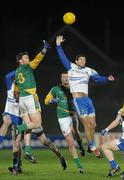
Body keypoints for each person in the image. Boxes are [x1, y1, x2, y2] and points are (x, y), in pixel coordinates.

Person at [56, 35, 115, 158]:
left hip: (87, 100)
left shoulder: (89, 70)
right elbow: (63, 58)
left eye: (84, 59)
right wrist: (58, 45)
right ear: (76, 61)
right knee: (87, 124)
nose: (83, 61)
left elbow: (98, 79)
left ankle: (90, 145)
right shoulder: (71, 67)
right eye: (81, 60)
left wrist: (107, 79)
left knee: (93, 124)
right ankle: (92, 146)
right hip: (78, 100)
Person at [45, 72, 84, 173]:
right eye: (64, 77)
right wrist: (51, 101)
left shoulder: (75, 87)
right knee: (70, 142)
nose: (66, 79)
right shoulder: (56, 89)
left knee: (76, 131)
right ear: (61, 79)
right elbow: (46, 100)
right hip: (62, 117)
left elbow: (82, 98)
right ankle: (79, 166)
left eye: (67, 77)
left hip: (73, 114)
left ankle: (80, 145)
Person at [15, 40, 50, 133]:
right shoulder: (27, 67)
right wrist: (44, 49)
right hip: (30, 97)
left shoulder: (16, 72)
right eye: (26, 58)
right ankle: (18, 128)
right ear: (20, 61)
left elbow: (16, 87)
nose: (28, 59)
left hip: (22, 100)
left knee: (29, 127)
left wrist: (17, 96)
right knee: (37, 124)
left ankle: (27, 147)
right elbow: (37, 59)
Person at [101, 106, 124, 177]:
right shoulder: (121, 111)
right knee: (105, 146)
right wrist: (107, 129)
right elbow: (117, 121)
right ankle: (115, 166)